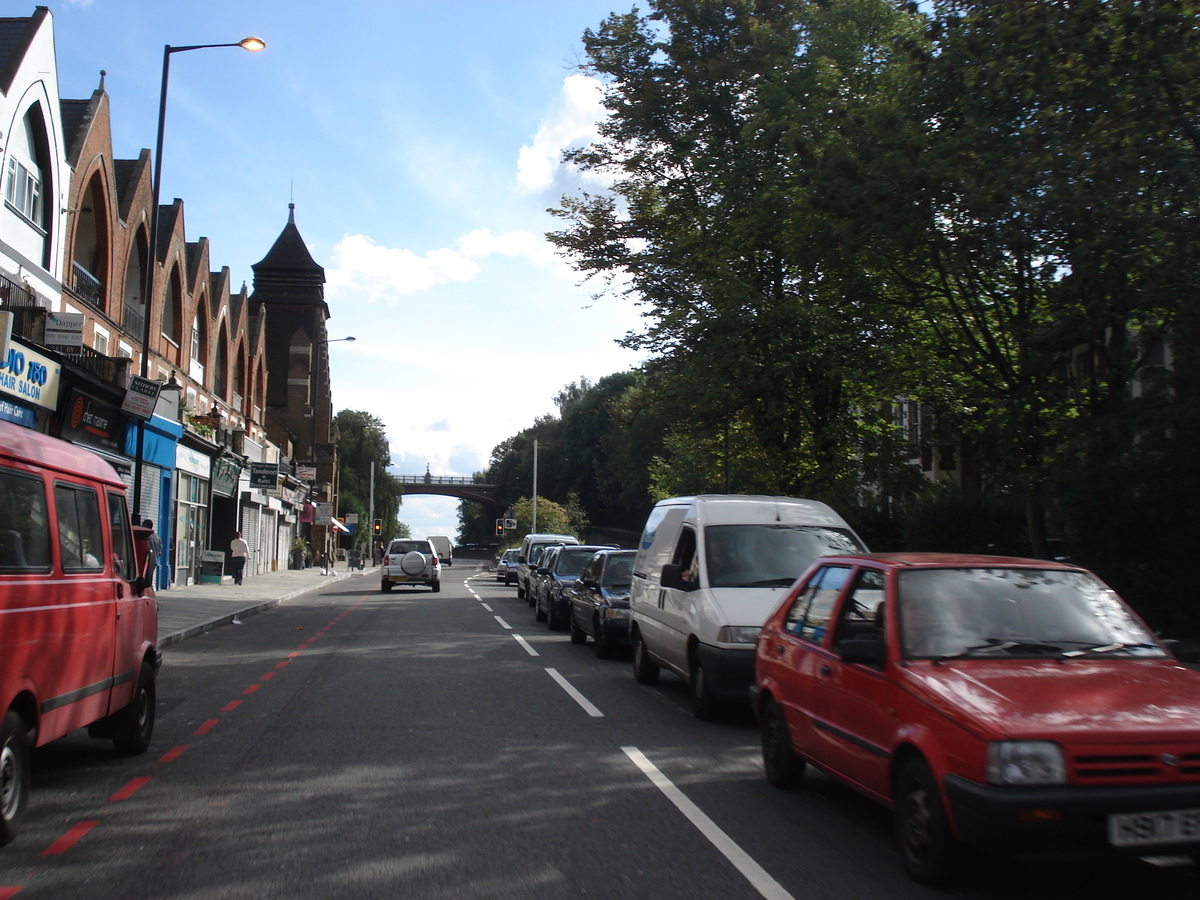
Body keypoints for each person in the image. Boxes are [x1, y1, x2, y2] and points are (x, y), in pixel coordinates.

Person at [142, 519, 162, 589]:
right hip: (154, 561)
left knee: (144, 577)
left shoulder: (146, 537)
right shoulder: (157, 537)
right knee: (149, 577)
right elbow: (160, 550)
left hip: (146, 560)